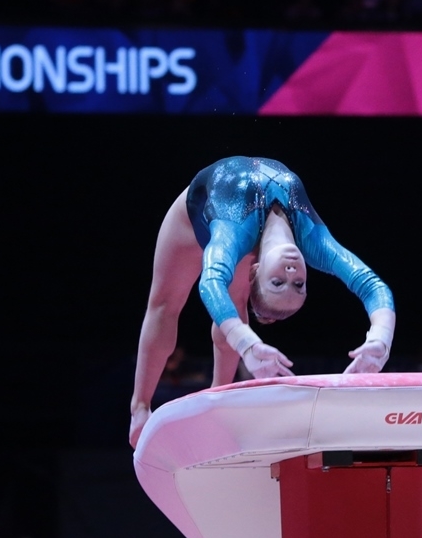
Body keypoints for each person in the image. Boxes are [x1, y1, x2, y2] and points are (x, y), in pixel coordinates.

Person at [130, 156, 395, 448]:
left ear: (255, 270)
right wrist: (381, 339)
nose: (291, 273)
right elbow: (373, 285)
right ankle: (141, 407)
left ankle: (214, 400)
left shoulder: (233, 235)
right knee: (200, 305)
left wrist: (246, 343)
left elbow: (211, 281)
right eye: (298, 285)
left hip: (193, 220)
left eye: (277, 283)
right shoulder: (314, 242)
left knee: (171, 303)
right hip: (229, 219)